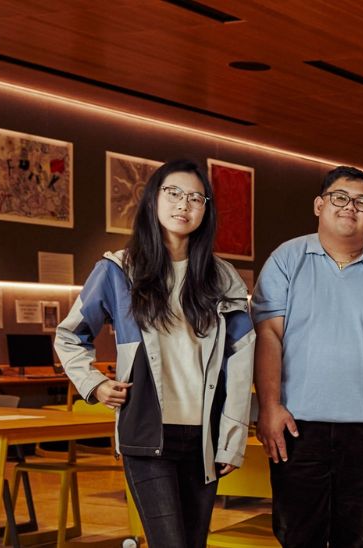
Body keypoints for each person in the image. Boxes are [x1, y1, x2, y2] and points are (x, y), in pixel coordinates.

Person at [57, 159, 254, 548]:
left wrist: (231, 437)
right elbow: (70, 335)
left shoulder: (223, 278)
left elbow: (241, 360)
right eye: (174, 193)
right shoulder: (118, 270)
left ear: (206, 210)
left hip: (204, 438)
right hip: (146, 433)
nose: (184, 204)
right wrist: (94, 384)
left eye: (196, 197)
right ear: (152, 201)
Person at [253, 166, 363, 548]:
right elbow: (269, 334)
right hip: (297, 425)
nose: (350, 207)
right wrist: (269, 406)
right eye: (340, 198)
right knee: (297, 534)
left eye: (361, 202)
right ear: (319, 205)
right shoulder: (286, 259)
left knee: (358, 537)